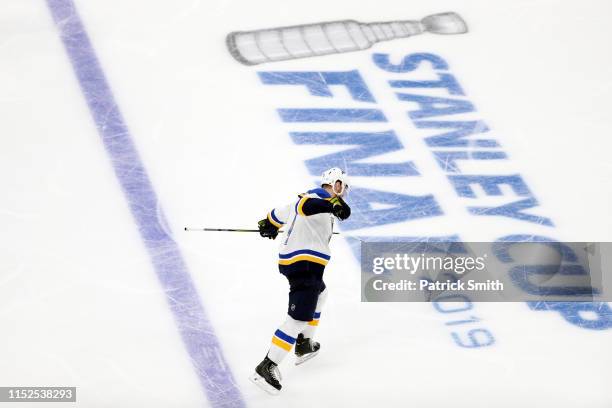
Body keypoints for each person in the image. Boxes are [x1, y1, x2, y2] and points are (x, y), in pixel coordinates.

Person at [249, 167, 351, 395]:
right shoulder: (316, 199)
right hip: (303, 264)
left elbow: (280, 212)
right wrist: (330, 205)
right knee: (298, 318)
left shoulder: (310, 199)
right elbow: (305, 207)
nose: (343, 193)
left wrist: (270, 223)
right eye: (342, 187)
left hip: (303, 265)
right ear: (335, 184)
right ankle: (267, 365)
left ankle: (305, 344)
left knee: (321, 296)